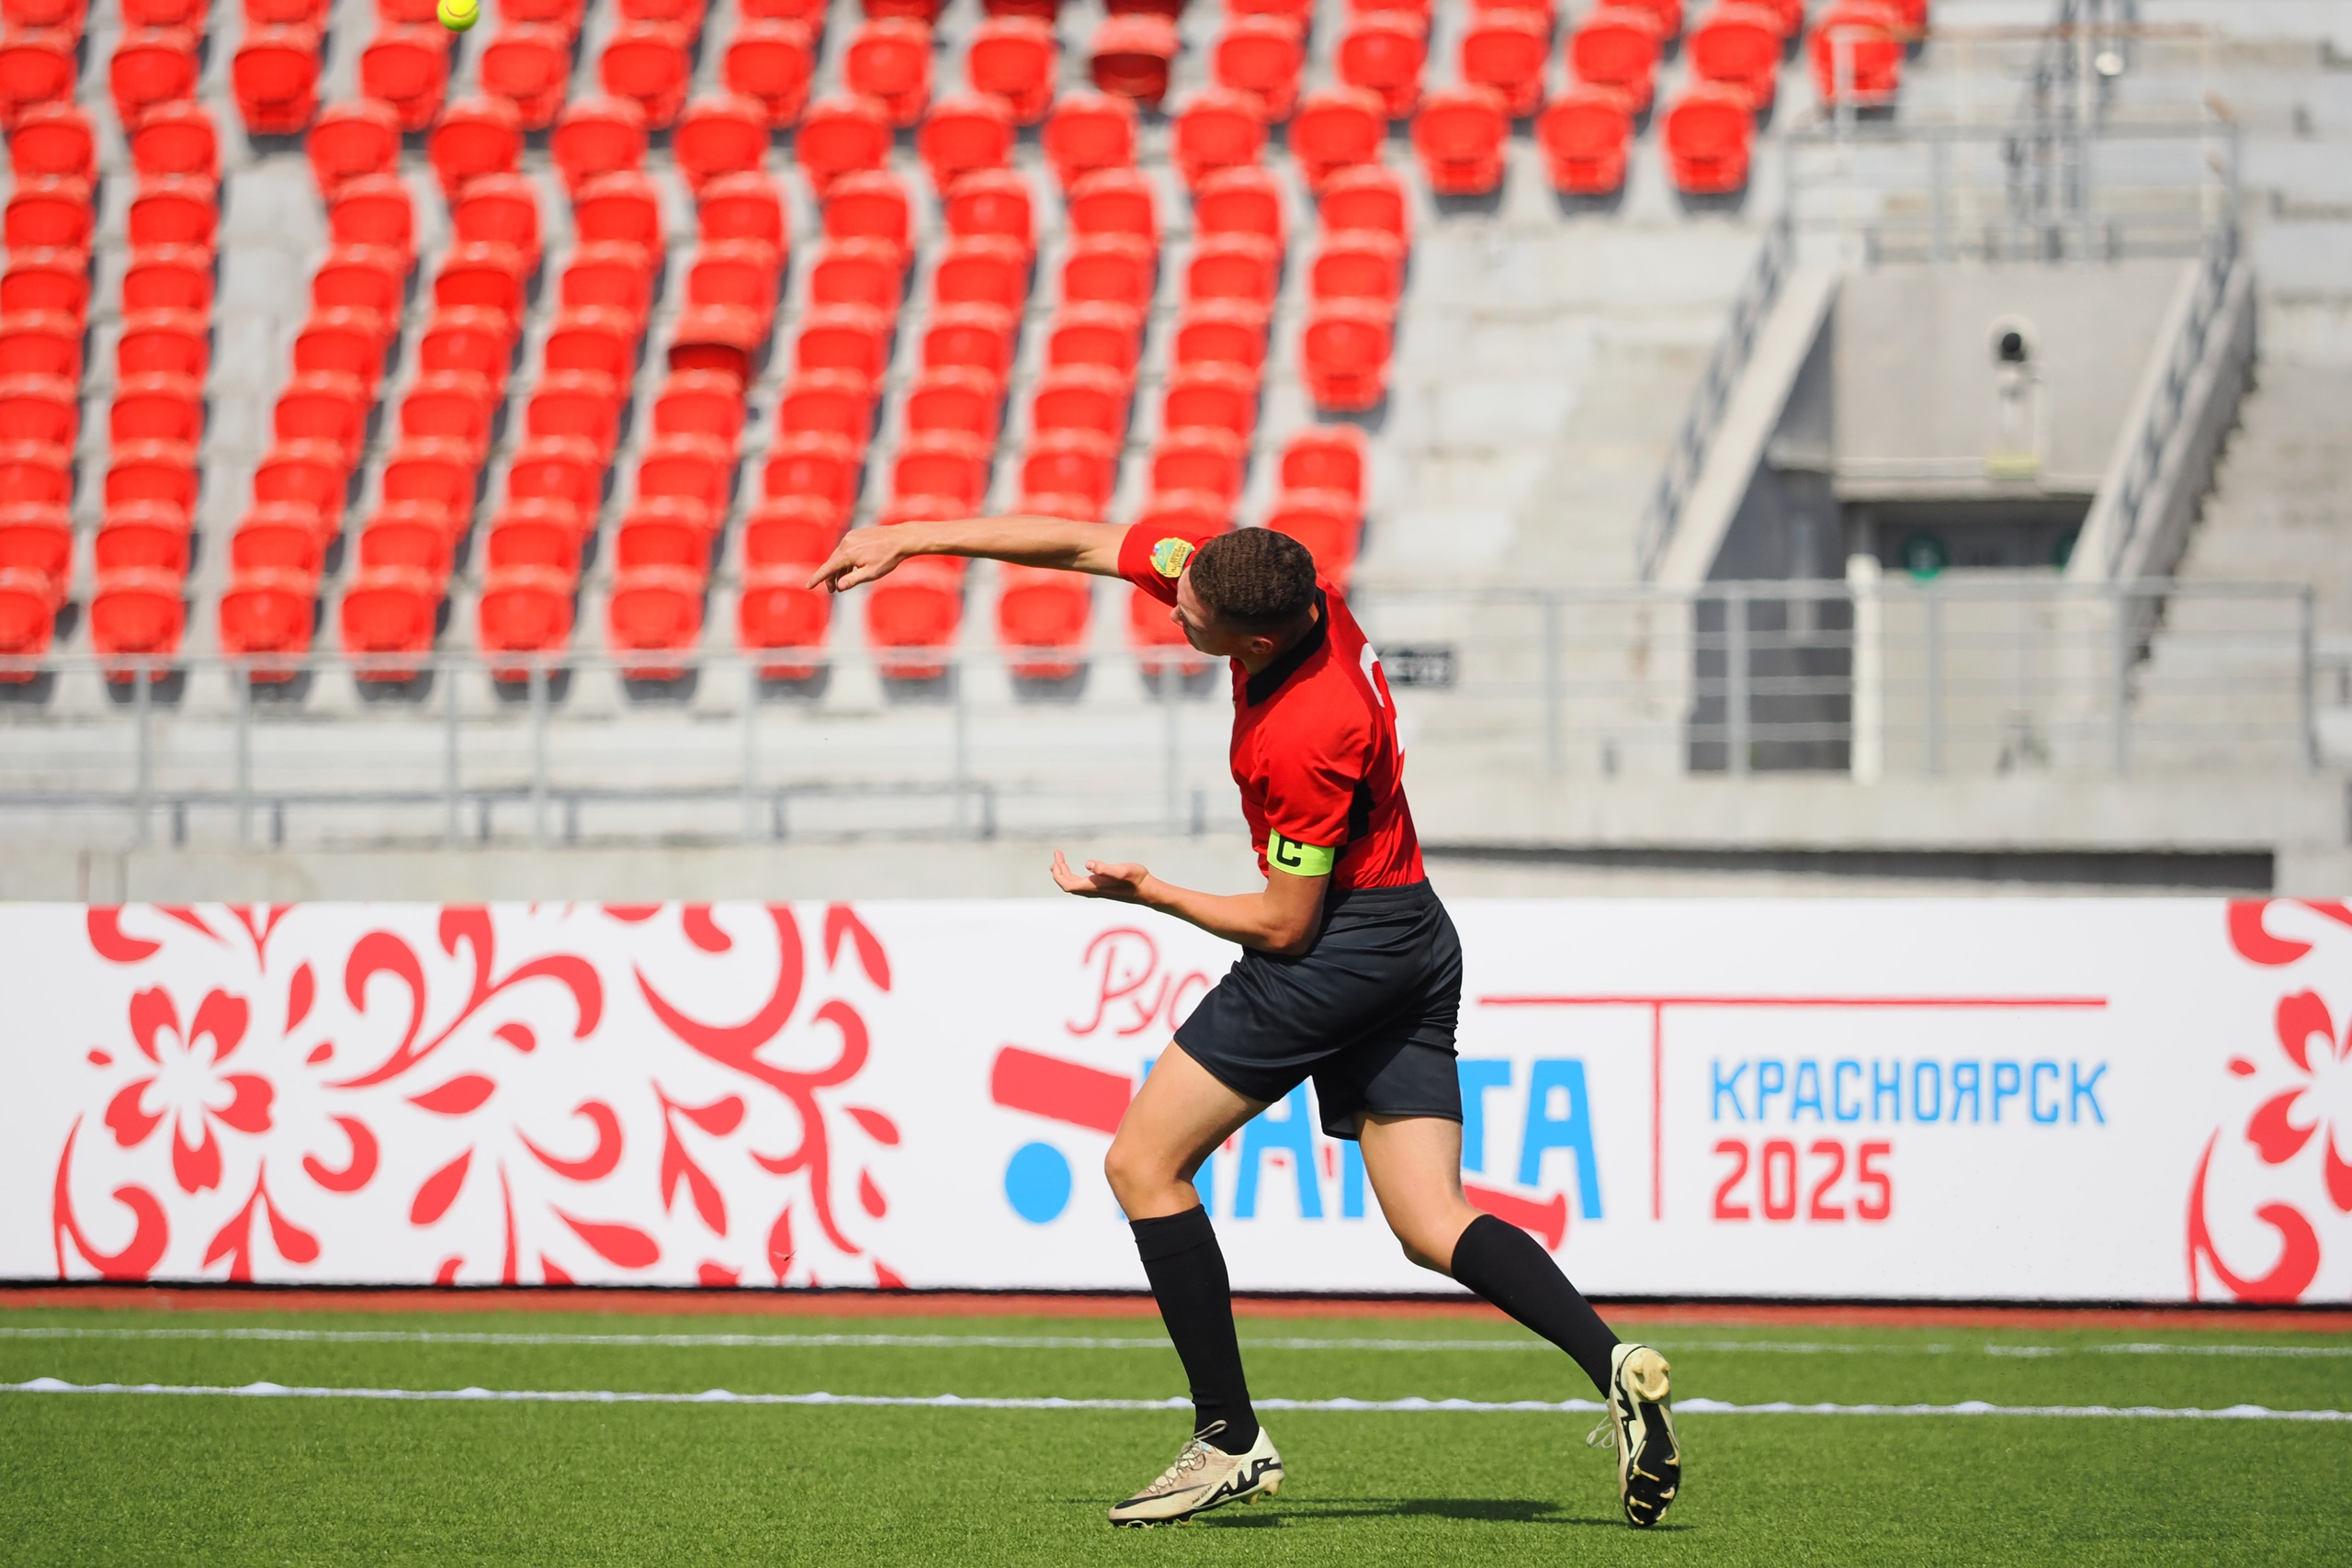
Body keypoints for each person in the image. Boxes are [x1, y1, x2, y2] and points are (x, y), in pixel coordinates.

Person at [809, 513, 1679, 1529]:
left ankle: (1228, 1437)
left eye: (1190, 612)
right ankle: (1612, 1365)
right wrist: (916, 536)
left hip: (1334, 953)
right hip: (1411, 929)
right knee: (1430, 1221)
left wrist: (1148, 893)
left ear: (1256, 638)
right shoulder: (1269, 583)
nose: (1171, 607)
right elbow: (1092, 547)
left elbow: (1279, 922)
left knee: (1142, 1165)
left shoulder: (1307, 732)